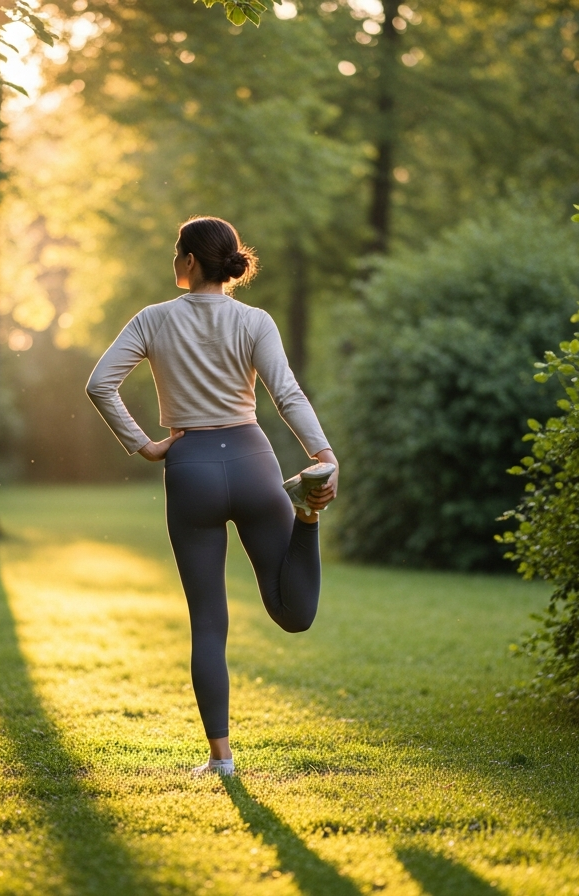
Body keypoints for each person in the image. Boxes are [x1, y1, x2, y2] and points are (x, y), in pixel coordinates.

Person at [86, 216, 338, 777]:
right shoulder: (255, 321)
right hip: (254, 461)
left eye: (177, 252)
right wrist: (324, 455)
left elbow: (100, 383)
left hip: (190, 467)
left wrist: (146, 447)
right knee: (293, 614)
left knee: (208, 622)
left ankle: (221, 758)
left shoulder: (152, 320)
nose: (173, 261)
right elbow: (286, 393)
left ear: (191, 261)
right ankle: (306, 516)